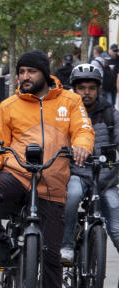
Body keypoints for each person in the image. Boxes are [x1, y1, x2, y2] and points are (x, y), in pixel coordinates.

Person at [0, 51, 93, 288]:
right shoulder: (8, 105)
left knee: (52, 256)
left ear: (44, 73)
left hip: (52, 185)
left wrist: (81, 147)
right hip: (17, 176)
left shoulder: (70, 101)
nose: (24, 77)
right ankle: (0, 246)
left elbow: (83, 130)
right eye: (21, 71)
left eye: (30, 71)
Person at [59, 63, 119, 264]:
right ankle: (66, 245)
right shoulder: (65, 114)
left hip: (105, 180)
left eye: (91, 88)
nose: (86, 93)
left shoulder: (111, 114)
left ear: (99, 89)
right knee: (73, 196)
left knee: (117, 228)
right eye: (81, 88)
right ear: (74, 90)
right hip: (78, 174)